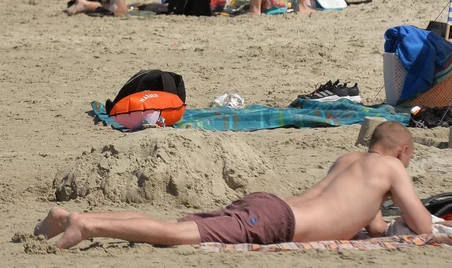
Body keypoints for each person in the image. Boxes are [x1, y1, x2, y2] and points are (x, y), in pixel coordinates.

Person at [37, 122, 435, 250]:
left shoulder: (350, 162)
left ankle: (72, 216)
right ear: (401, 152)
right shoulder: (392, 168)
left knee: (174, 223)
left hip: (269, 206)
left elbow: (370, 224)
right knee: (175, 234)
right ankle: (86, 226)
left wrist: (382, 224)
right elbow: (423, 226)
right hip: (277, 221)